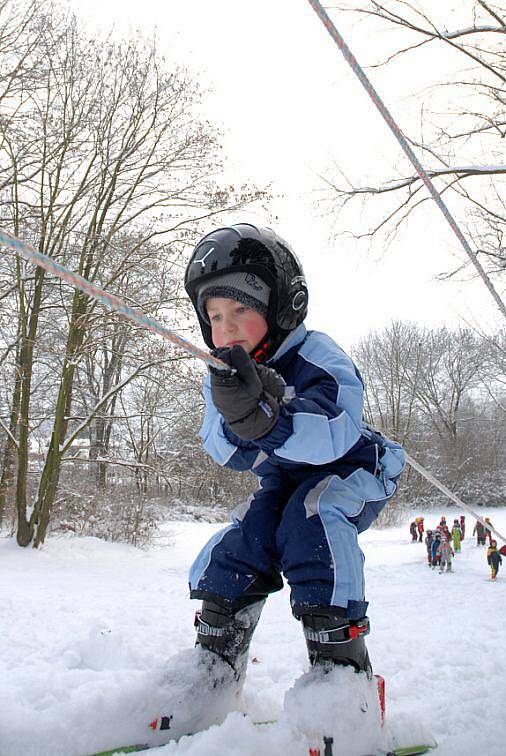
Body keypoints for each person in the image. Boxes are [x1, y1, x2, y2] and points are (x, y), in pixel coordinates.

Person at [152, 223, 406, 742]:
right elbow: (222, 449)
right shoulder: (222, 374)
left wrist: (273, 417)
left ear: (282, 304)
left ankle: (342, 681)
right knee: (244, 542)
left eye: (241, 310)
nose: (228, 329)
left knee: (311, 524)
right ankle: (214, 671)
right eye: (215, 316)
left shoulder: (318, 354)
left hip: (352, 469)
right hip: (286, 479)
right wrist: (239, 418)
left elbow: (337, 431)